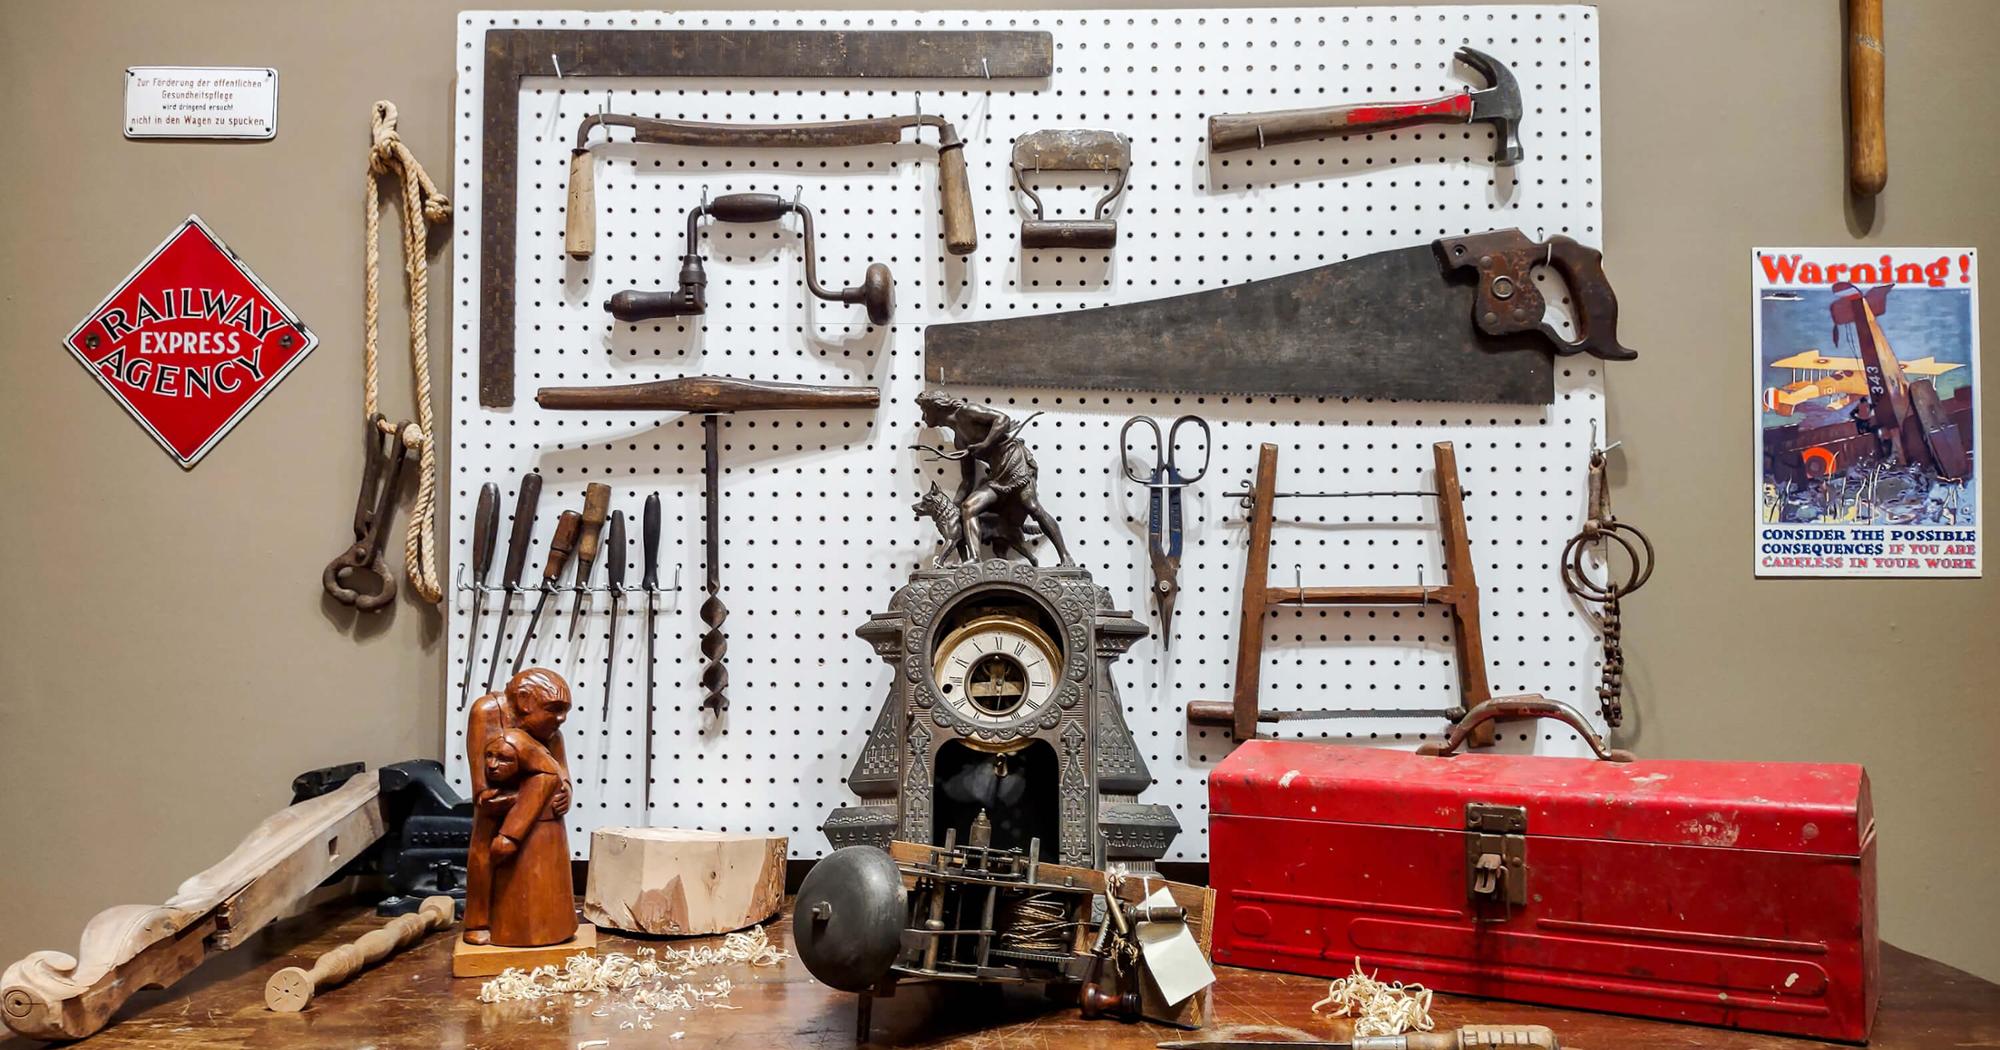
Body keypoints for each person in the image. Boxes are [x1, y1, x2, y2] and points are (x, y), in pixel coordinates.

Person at [461, 667, 571, 946]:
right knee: (484, 852)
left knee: (545, 868)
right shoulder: (486, 712)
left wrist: (566, 791)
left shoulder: (551, 732)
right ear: (524, 700)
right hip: (499, 807)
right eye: (554, 709)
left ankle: (549, 923)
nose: (561, 718)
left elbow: (561, 770)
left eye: (565, 711)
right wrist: (487, 793)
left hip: (540, 812)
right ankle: (478, 921)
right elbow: (482, 781)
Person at [915, 390, 1073, 565]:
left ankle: (1065, 556)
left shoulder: (967, 411)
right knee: (969, 507)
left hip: (1014, 462)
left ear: (936, 407)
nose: (923, 417)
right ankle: (975, 558)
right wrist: (955, 505)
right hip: (997, 475)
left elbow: (1002, 419)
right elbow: (968, 478)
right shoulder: (959, 441)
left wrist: (985, 444)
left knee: (1032, 506)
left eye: (924, 410)